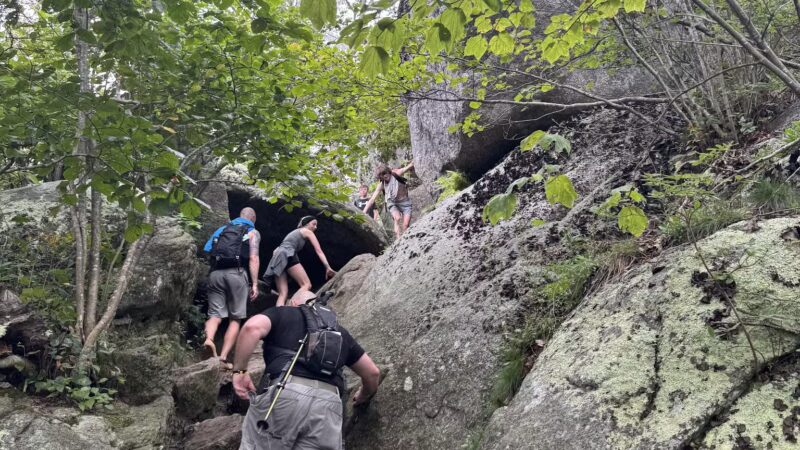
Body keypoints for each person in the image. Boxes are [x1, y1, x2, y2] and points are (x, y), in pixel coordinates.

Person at [232, 290, 380, 450]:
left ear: (294, 303)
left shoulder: (284, 313)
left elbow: (251, 327)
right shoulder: (339, 333)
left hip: (285, 394)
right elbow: (372, 373)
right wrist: (362, 396)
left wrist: (240, 371)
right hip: (329, 407)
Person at [202, 207, 260, 369]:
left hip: (216, 274)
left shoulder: (223, 229)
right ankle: (222, 357)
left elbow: (207, 250)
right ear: (253, 219)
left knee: (215, 314)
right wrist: (254, 284)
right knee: (235, 318)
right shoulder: (252, 231)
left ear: (239, 216)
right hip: (237, 274)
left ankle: (209, 339)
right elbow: (254, 257)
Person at [263, 216, 336, 307]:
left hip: (278, 257)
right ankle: (291, 306)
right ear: (306, 224)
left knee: (283, 293)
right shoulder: (306, 231)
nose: (315, 227)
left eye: (316, 225)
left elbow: (276, 250)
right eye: (314, 224)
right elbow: (319, 250)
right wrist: (327, 267)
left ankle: (279, 315)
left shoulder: (293, 233)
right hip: (288, 254)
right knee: (306, 284)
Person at [362, 161, 414, 239]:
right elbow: (372, 199)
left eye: (385, 173)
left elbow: (409, 167)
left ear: (388, 171)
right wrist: (363, 212)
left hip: (405, 202)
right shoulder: (381, 184)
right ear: (380, 177)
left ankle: (406, 239)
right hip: (392, 202)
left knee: (405, 225)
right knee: (397, 218)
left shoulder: (396, 174)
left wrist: (414, 163)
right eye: (382, 175)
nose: (385, 176)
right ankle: (398, 238)